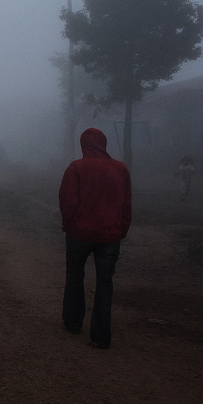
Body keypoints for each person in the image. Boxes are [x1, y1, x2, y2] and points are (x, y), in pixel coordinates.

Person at [59, 127, 131, 349]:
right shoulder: (120, 169)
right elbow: (125, 205)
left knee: (74, 276)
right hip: (110, 236)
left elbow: (68, 202)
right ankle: (100, 336)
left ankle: (72, 322)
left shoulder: (76, 167)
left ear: (83, 145)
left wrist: (69, 225)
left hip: (79, 233)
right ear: (104, 144)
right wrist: (121, 230)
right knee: (104, 284)